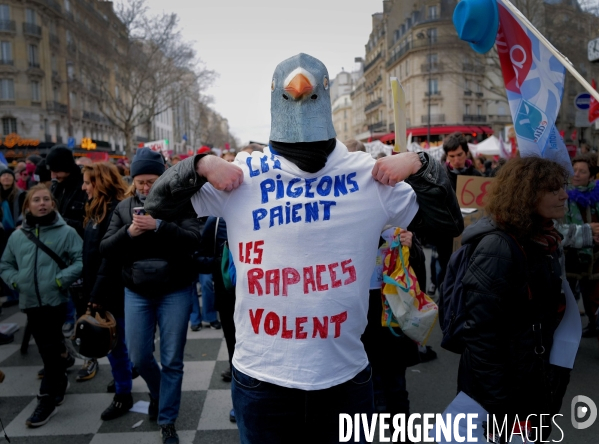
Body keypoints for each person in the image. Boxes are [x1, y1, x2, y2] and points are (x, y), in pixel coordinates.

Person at [144, 53, 462, 443]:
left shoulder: (367, 176)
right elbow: (158, 206)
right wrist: (200, 164)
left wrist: (420, 163)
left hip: (345, 378)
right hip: (262, 379)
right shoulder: (244, 175)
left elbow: (447, 227)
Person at [455, 157, 572, 441]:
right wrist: (500, 407)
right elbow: (481, 336)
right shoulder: (498, 247)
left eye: (563, 187)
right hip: (506, 393)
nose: (564, 195)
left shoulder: (544, 240)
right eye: (552, 189)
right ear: (527, 195)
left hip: (531, 380)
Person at [100, 148, 202, 444]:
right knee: (140, 355)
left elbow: (194, 240)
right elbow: (106, 249)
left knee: (172, 359)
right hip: (136, 292)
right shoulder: (123, 208)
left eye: (152, 180)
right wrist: (130, 232)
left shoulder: (180, 203)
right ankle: (159, 394)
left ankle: (167, 419)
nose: (146, 187)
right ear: (133, 181)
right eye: (140, 181)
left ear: (164, 178)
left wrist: (159, 226)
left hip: (176, 290)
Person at [0, 185, 82, 427]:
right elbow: (5, 265)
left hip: (55, 300)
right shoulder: (17, 236)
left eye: (47, 199)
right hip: (29, 302)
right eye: (36, 199)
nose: (42, 203)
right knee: (51, 345)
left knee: (47, 349)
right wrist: (17, 281)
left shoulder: (66, 232)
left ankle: (45, 399)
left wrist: (59, 279)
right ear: (27, 206)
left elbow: (79, 260)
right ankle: (59, 378)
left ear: (53, 204)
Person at [562, 155, 599, 337]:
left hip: (595, 255)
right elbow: (558, 228)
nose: (576, 175)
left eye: (582, 171)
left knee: (592, 295)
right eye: (574, 170)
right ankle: (567, 332)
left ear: (592, 176)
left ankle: (594, 324)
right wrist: (586, 231)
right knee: (567, 296)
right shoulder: (563, 195)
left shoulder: (597, 195)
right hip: (570, 256)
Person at [0, 168, 24, 307]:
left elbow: (24, 212)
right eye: (3, 176)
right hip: (1, 234)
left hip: (15, 232)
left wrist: (21, 224)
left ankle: (16, 294)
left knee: (13, 264)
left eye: (9, 175)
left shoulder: (20, 194)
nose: (6, 178)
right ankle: (9, 294)